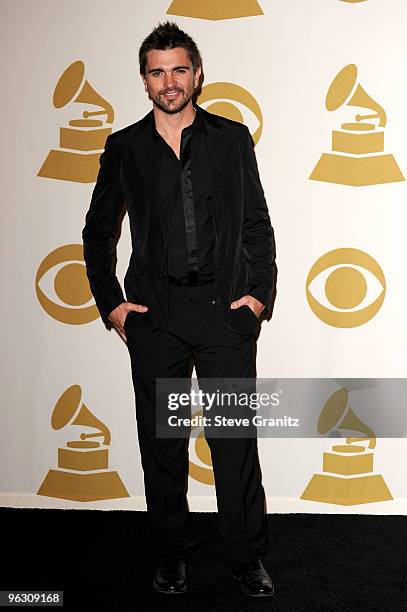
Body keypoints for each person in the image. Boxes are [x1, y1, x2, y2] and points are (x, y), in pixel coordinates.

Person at [82, 21, 277, 598]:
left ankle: (246, 557)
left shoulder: (232, 138)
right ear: (145, 80)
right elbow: (98, 234)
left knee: (234, 441)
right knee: (162, 445)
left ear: (197, 74)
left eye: (179, 69)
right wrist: (114, 306)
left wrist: (258, 296)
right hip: (156, 316)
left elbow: (256, 225)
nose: (169, 81)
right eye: (157, 71)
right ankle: (170, 553)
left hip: (224, 314)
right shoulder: (124, 147)